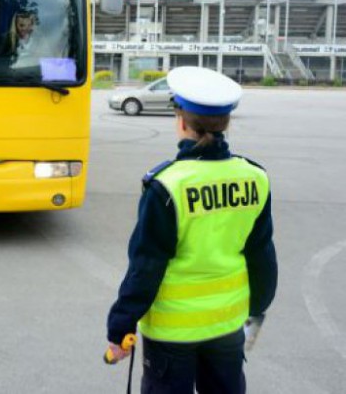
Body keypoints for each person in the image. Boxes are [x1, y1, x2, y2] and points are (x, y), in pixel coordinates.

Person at [105, 66, 277, 393]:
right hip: (227, 327)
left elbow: (145, 268)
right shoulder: (255, 177)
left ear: (181, 122)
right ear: (226, 123)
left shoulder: (167, 186)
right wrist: (257, 309)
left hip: (172, 333)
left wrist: (120, 327)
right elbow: (262, 254)